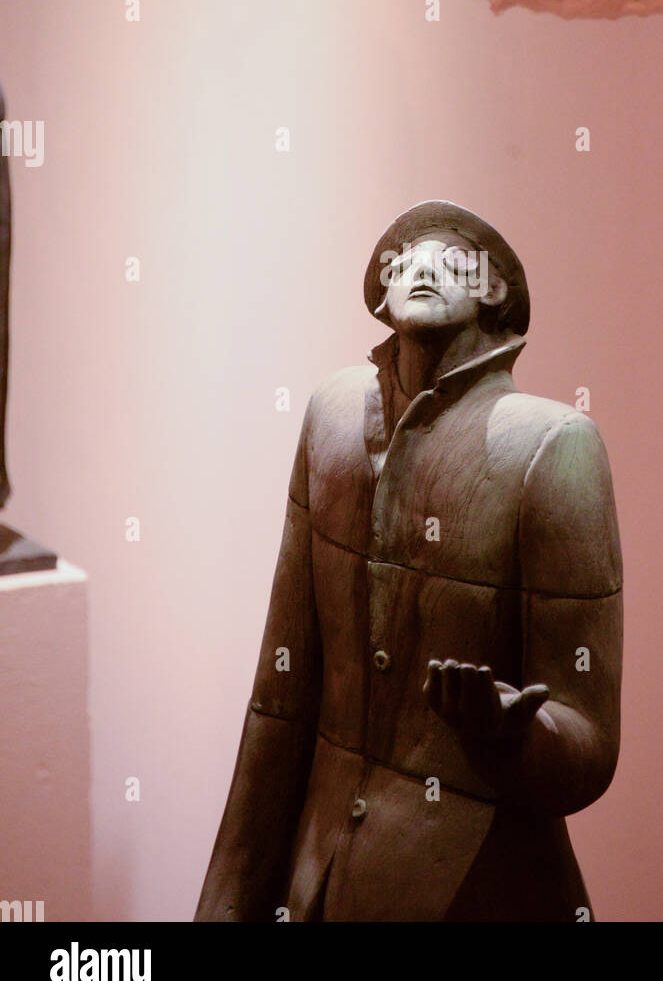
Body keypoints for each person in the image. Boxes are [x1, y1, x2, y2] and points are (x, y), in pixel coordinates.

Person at [196, 200, 622, 922]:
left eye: (452, 259)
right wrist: (227, 900)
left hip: (477, 883)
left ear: (494, 294)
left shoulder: (551, 445)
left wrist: (512, 738)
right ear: (382, 297)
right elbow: (280, 697)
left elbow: (588, 741)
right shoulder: (330, 417)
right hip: (319, 873)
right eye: (403, 262)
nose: (421, 266)